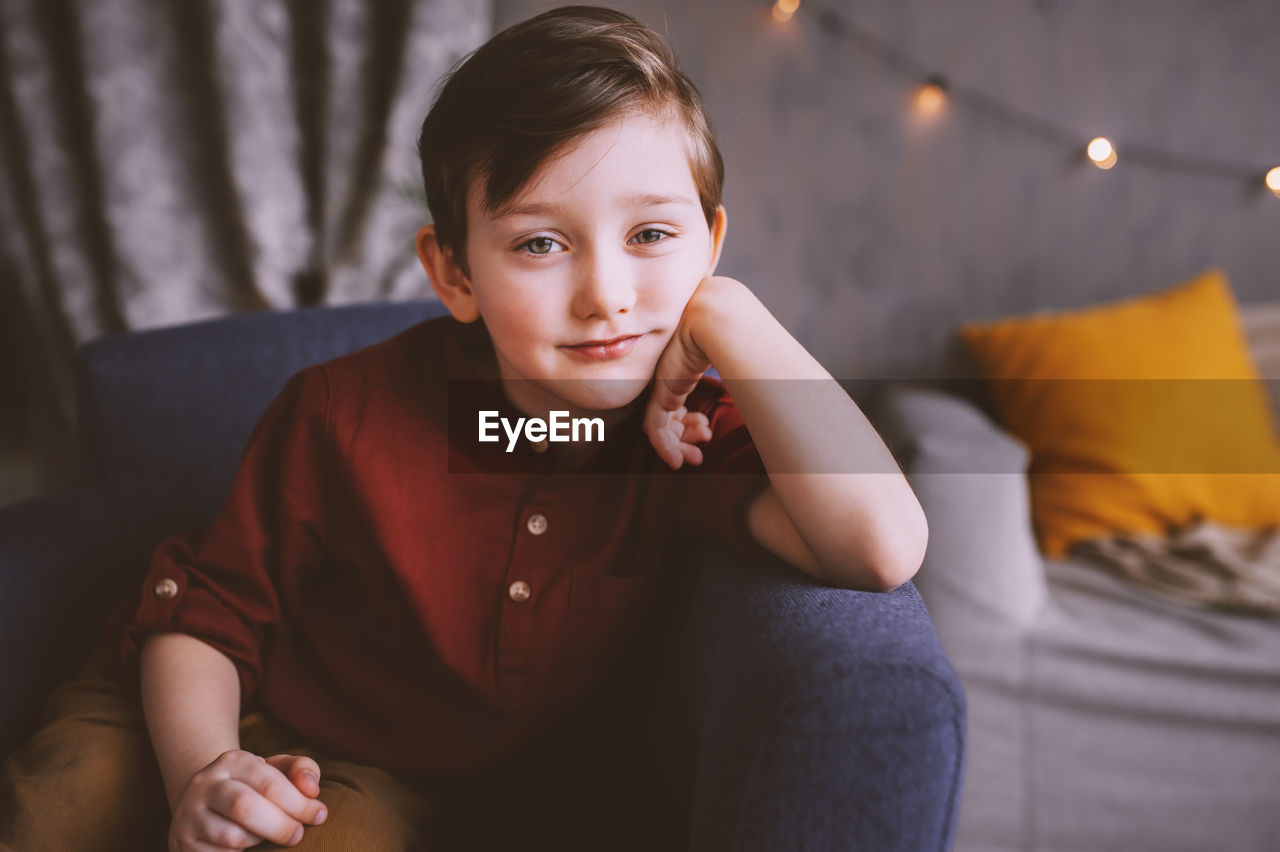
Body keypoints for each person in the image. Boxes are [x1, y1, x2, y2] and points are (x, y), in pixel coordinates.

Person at [0, 5, 928, 850]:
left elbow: (884, 548)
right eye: (539, 243)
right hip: (178, 693)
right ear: (454, 275)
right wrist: (204, 771)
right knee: (63, 814)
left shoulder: (680, 435)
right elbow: (203, 615)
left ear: (711, 241)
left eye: (652, 236)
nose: (607, 295)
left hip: (372, 769)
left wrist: (732, 316)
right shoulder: (342, 413)